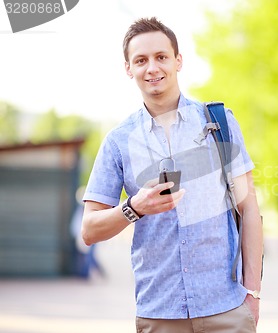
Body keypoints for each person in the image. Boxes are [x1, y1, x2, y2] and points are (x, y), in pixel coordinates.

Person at [81, 17, 263, 333]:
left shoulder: (218, 122)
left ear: (178, 61)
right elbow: (89, 231)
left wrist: (253, 295)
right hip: (160, 314)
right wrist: (134, 207)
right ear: (128, 68)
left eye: (161, 57)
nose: (152, 67)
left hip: (227, 310)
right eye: (141, 60)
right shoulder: (118, 141)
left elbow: (250, 209)